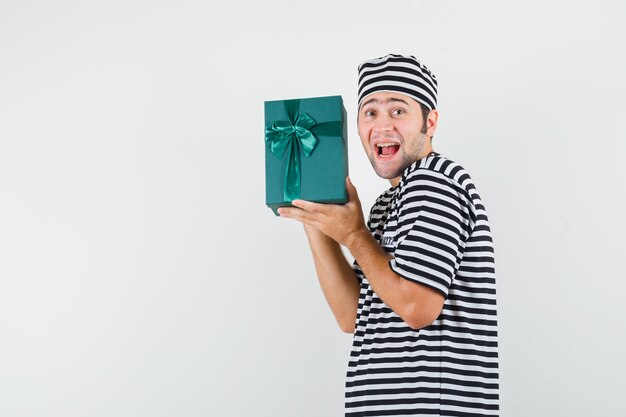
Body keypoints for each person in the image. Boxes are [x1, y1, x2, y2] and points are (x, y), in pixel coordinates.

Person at [278, 54, 499, 417]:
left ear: (431, 122)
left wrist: (353, 234)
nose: (382, 126)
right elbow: (352, 316)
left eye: (398, 111)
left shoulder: (435, 181)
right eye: (370, 112)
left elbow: (416, 308)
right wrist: (315, 217)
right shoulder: (388, 202)